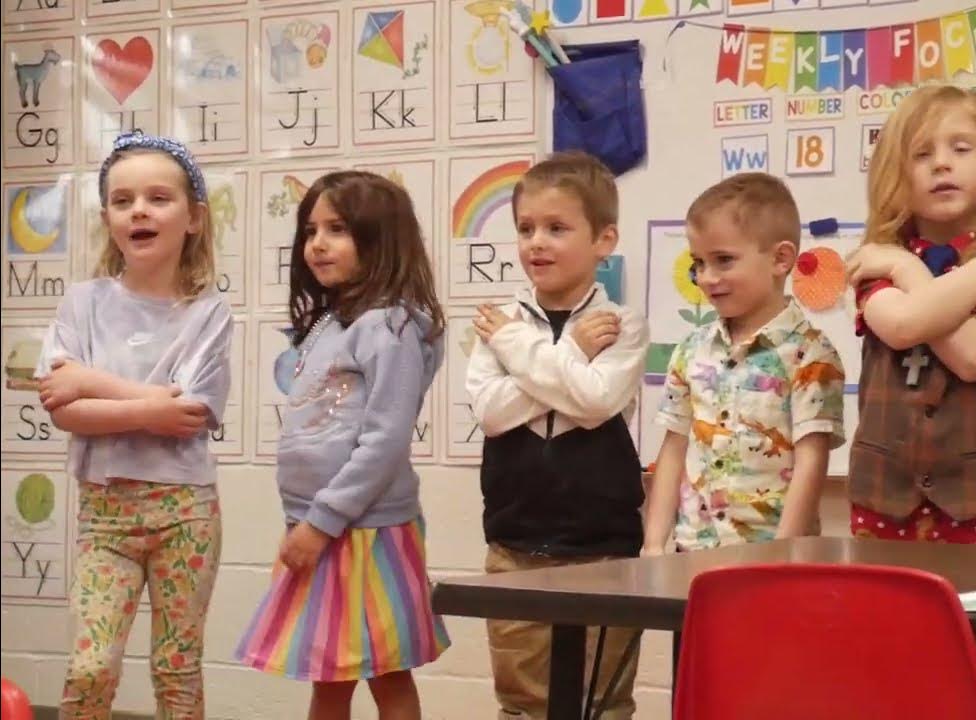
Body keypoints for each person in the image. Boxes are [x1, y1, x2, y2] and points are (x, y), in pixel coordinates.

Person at [845, 85, 976, 720]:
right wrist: (916, 272)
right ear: (896, 177)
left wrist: (925, 277)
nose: (942, 163)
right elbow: (906, 325)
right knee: (896, 686)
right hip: (888, 511)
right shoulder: (877, 265)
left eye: (961, 148)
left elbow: (973, 355)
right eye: (922, 154)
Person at [236, 171, 450, 720]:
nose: (317, 244)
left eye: (337, 229)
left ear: (380, 240)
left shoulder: (391, 326)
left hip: (367, 529)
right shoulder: (331, 323)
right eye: (311, 230)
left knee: (386, 668)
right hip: (320, 526)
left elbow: (384, 439)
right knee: (328, 674)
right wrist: (304, 523)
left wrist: (321, 522)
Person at [37, 131, 232, 719]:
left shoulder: (208, 313)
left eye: (157, 198)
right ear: (108, 219)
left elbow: (190, 415)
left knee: (177, 670)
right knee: (91, 664)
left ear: (193, 218)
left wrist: (95, 383)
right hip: (105, 514)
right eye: (122, 201)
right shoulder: (83, 303)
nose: (139, 210)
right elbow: (63, 406)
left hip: (186, 513)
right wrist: (150, 405)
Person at [465, 151, 648, 720]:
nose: (536, 242)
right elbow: (493, 414)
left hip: (605, 549)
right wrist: (567, 355)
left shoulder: (623, 323)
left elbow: (594, 404)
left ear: (604, 239)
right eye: (525, 228)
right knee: (522, 704)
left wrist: (521, 355)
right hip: (516, 544)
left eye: (556, 228)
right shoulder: (498, 323)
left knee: (602, 703)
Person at [642, 172, 845, 555]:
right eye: (698, 263)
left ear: (781, 259)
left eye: (724, 260)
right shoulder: (691, 350)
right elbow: (673, 449)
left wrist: (782, 553)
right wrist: (653, 544)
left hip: (770, 557)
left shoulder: (810, 356)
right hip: (692, 554)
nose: (707, 278)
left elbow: (811, 462)